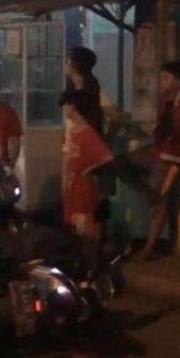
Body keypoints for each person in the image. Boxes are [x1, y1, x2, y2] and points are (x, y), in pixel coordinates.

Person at [137, 60, 180, 262]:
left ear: (178, 82)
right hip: (164, 154)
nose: (161, 82)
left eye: (166, 78)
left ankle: (149, 246)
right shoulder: (166, 101)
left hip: (175, 157)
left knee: (160, 200)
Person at [60, 90, 115, 273]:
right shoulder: (74, 131)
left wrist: (88, 170)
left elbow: (107, 157)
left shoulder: (87, 133)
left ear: (73, 108)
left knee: (86, 232)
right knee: (75, 229)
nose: (64, 110)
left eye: (67, 106)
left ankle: (93, 268)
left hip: (83, 190)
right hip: (73, 187)